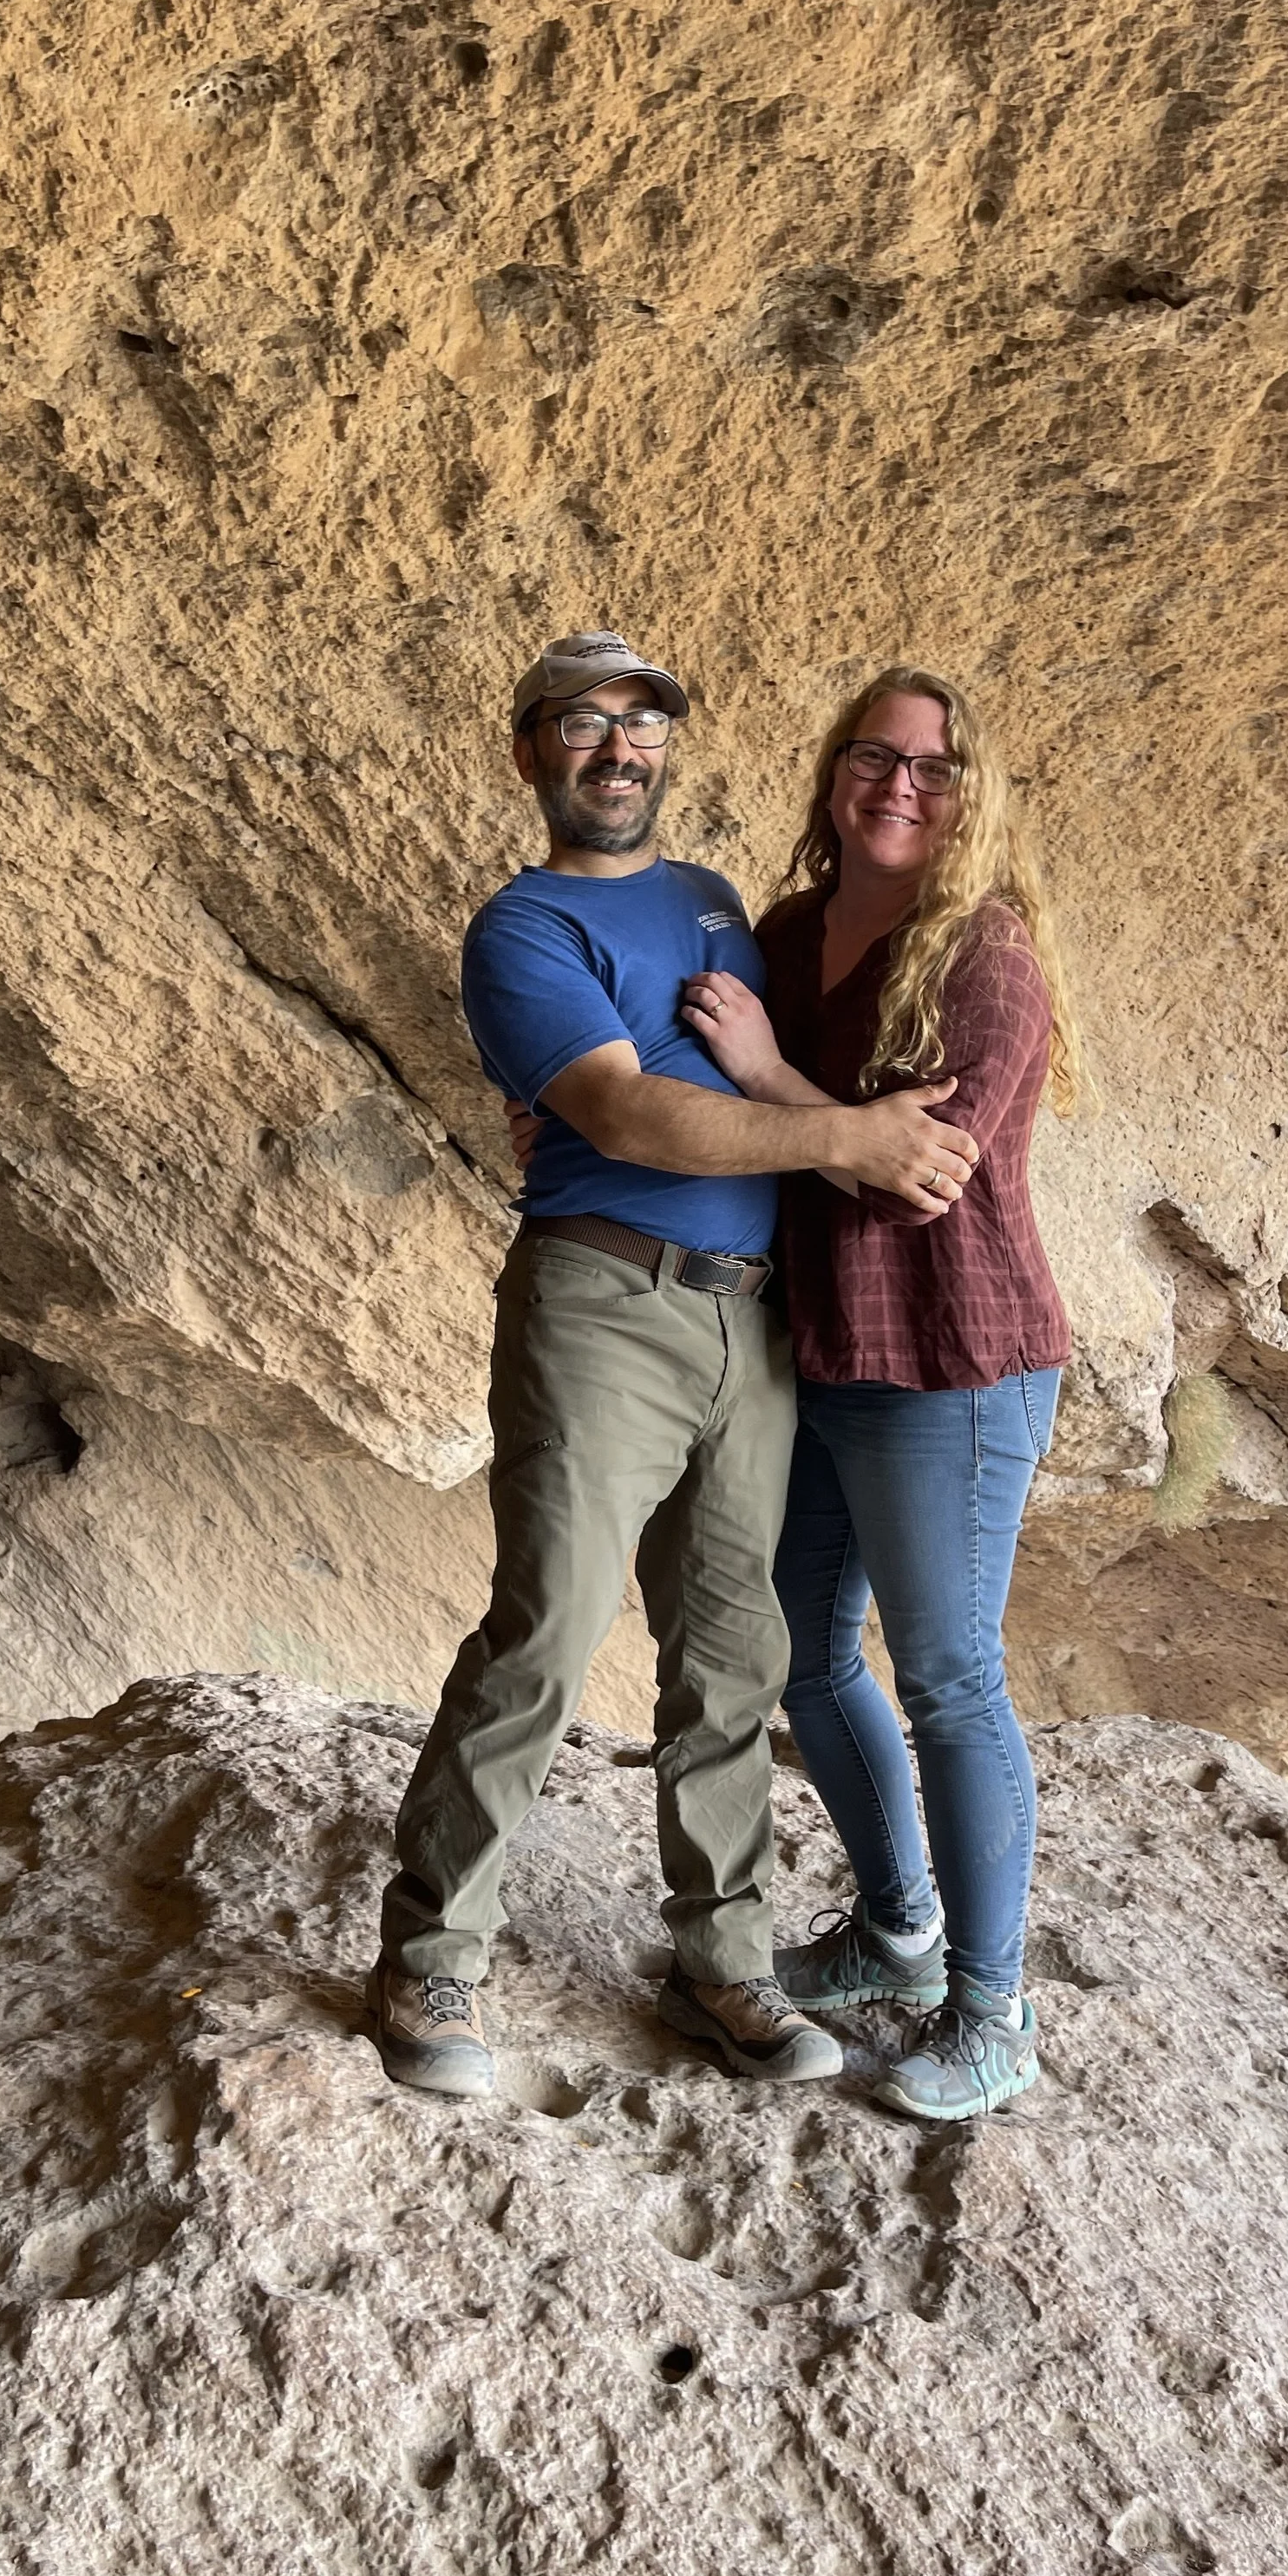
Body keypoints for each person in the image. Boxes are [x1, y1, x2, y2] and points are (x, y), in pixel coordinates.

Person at [369, 632, 984, 2100]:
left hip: (753, 1316)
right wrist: (851, 1136)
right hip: (605, 1306)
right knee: (544, 1630)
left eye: (644, 725)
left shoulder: (716, 904)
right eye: (584, 724)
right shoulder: (520, 929)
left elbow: (764, 1051)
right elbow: (631, 1115)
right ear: (533, 752)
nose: (619, 750)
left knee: (734, 1653)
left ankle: (727, 1963)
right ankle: (431, 1957)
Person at [681, 665, 1088, 2122]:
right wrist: (809, 1110)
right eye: (874, 756)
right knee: (802, 1648)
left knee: (949, 1676)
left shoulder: (984, 953)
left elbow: (925, 1174)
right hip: (824, 1350)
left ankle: (993, 2012)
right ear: (834, 776)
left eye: (935, 766)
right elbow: (790, 1134)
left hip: (954, 1361)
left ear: (973, 795)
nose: (901, 785)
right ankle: (896, 1927)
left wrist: (769, 1077)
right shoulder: (789, 933)